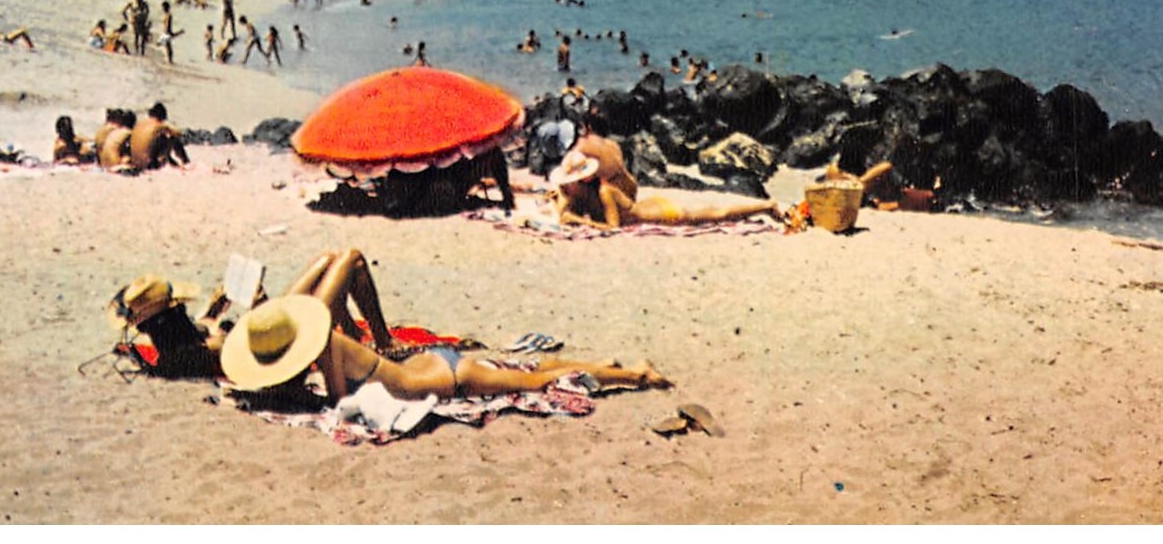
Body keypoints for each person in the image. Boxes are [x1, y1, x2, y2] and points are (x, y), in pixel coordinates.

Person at [220, 249, 669, 402]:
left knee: (541, 381)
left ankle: (636, 375)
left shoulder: (327, 346)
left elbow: (337, 401)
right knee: (531, 369)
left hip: (448, 378)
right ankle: (608, 363)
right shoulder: (329, 337)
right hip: (437, 366)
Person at [549, 149, 780, 230]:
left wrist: (582, 222)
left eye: (569, 182)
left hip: (659, 213)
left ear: (584, 180)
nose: (565, 187)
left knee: (716, 214)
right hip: (648, 205)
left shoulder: (604, 192)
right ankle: (765, 207)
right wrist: (562, 199)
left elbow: (612, 227)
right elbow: (564, 214)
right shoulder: (577, 192)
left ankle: (767, 206)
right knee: (713, 210)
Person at [129, 102, 189, 169]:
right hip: (149, 165)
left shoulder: (139, 124)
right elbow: (179, 133)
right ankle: (186, 162)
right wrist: (167, 126)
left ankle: (172, 162)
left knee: (157, 140)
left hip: (135, 164)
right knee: (172, 138)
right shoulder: (159, 124)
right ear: (162, 116)